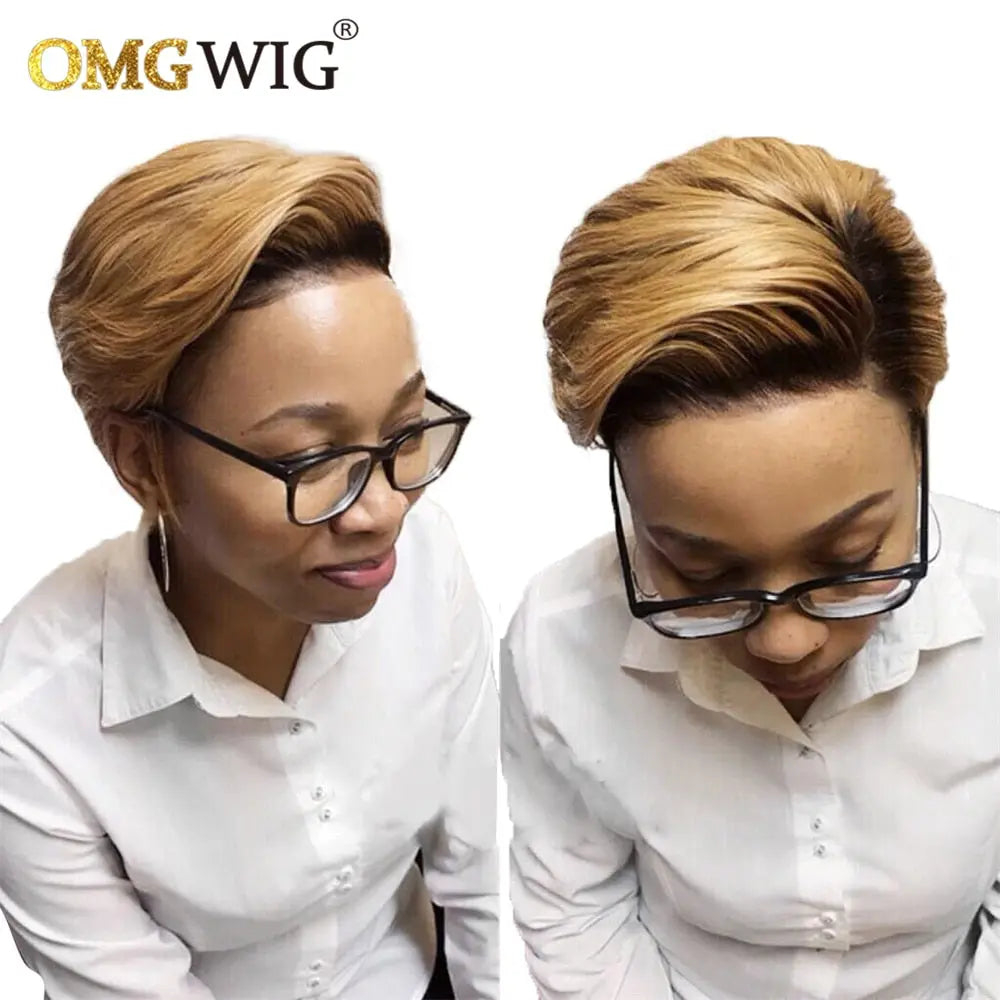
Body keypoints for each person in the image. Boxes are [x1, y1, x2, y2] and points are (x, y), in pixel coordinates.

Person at [501, 136, 999, 1000]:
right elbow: (576, 910)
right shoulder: (559, 643)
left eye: (849, 560)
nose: (783, 642)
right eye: (700, 572)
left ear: (920, 439)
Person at [0, 138, 498, 1000]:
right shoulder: (33, 725)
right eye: (310, 460)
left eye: (405, 429)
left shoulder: (426, 561)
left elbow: (481, 862)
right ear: (140, 460)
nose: (383, 510)